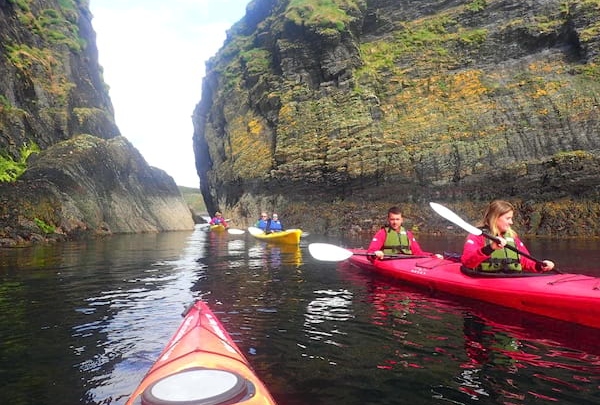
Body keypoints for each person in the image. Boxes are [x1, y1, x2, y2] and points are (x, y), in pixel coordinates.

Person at [461, 200, 555, 273]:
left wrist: (540, 265)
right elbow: (467, 262)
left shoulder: (512, 237)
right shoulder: (477, 236)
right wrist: (490, 248)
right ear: (495, 217)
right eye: (508, 218)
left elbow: (525, 261)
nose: (511, 222)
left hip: (510, 278)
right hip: (485, 278)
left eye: (511, 218)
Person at [367, 206, 438, 260]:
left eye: (397, 219)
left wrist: (433, 256)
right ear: (388, 219)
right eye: (392, 219)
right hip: (388, 260)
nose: (395, 222)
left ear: (402, 220)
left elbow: (418, 253)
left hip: (406, 261)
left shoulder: (408, 234)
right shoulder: (382, 233)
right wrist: (375, 253)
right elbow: (370, 252)